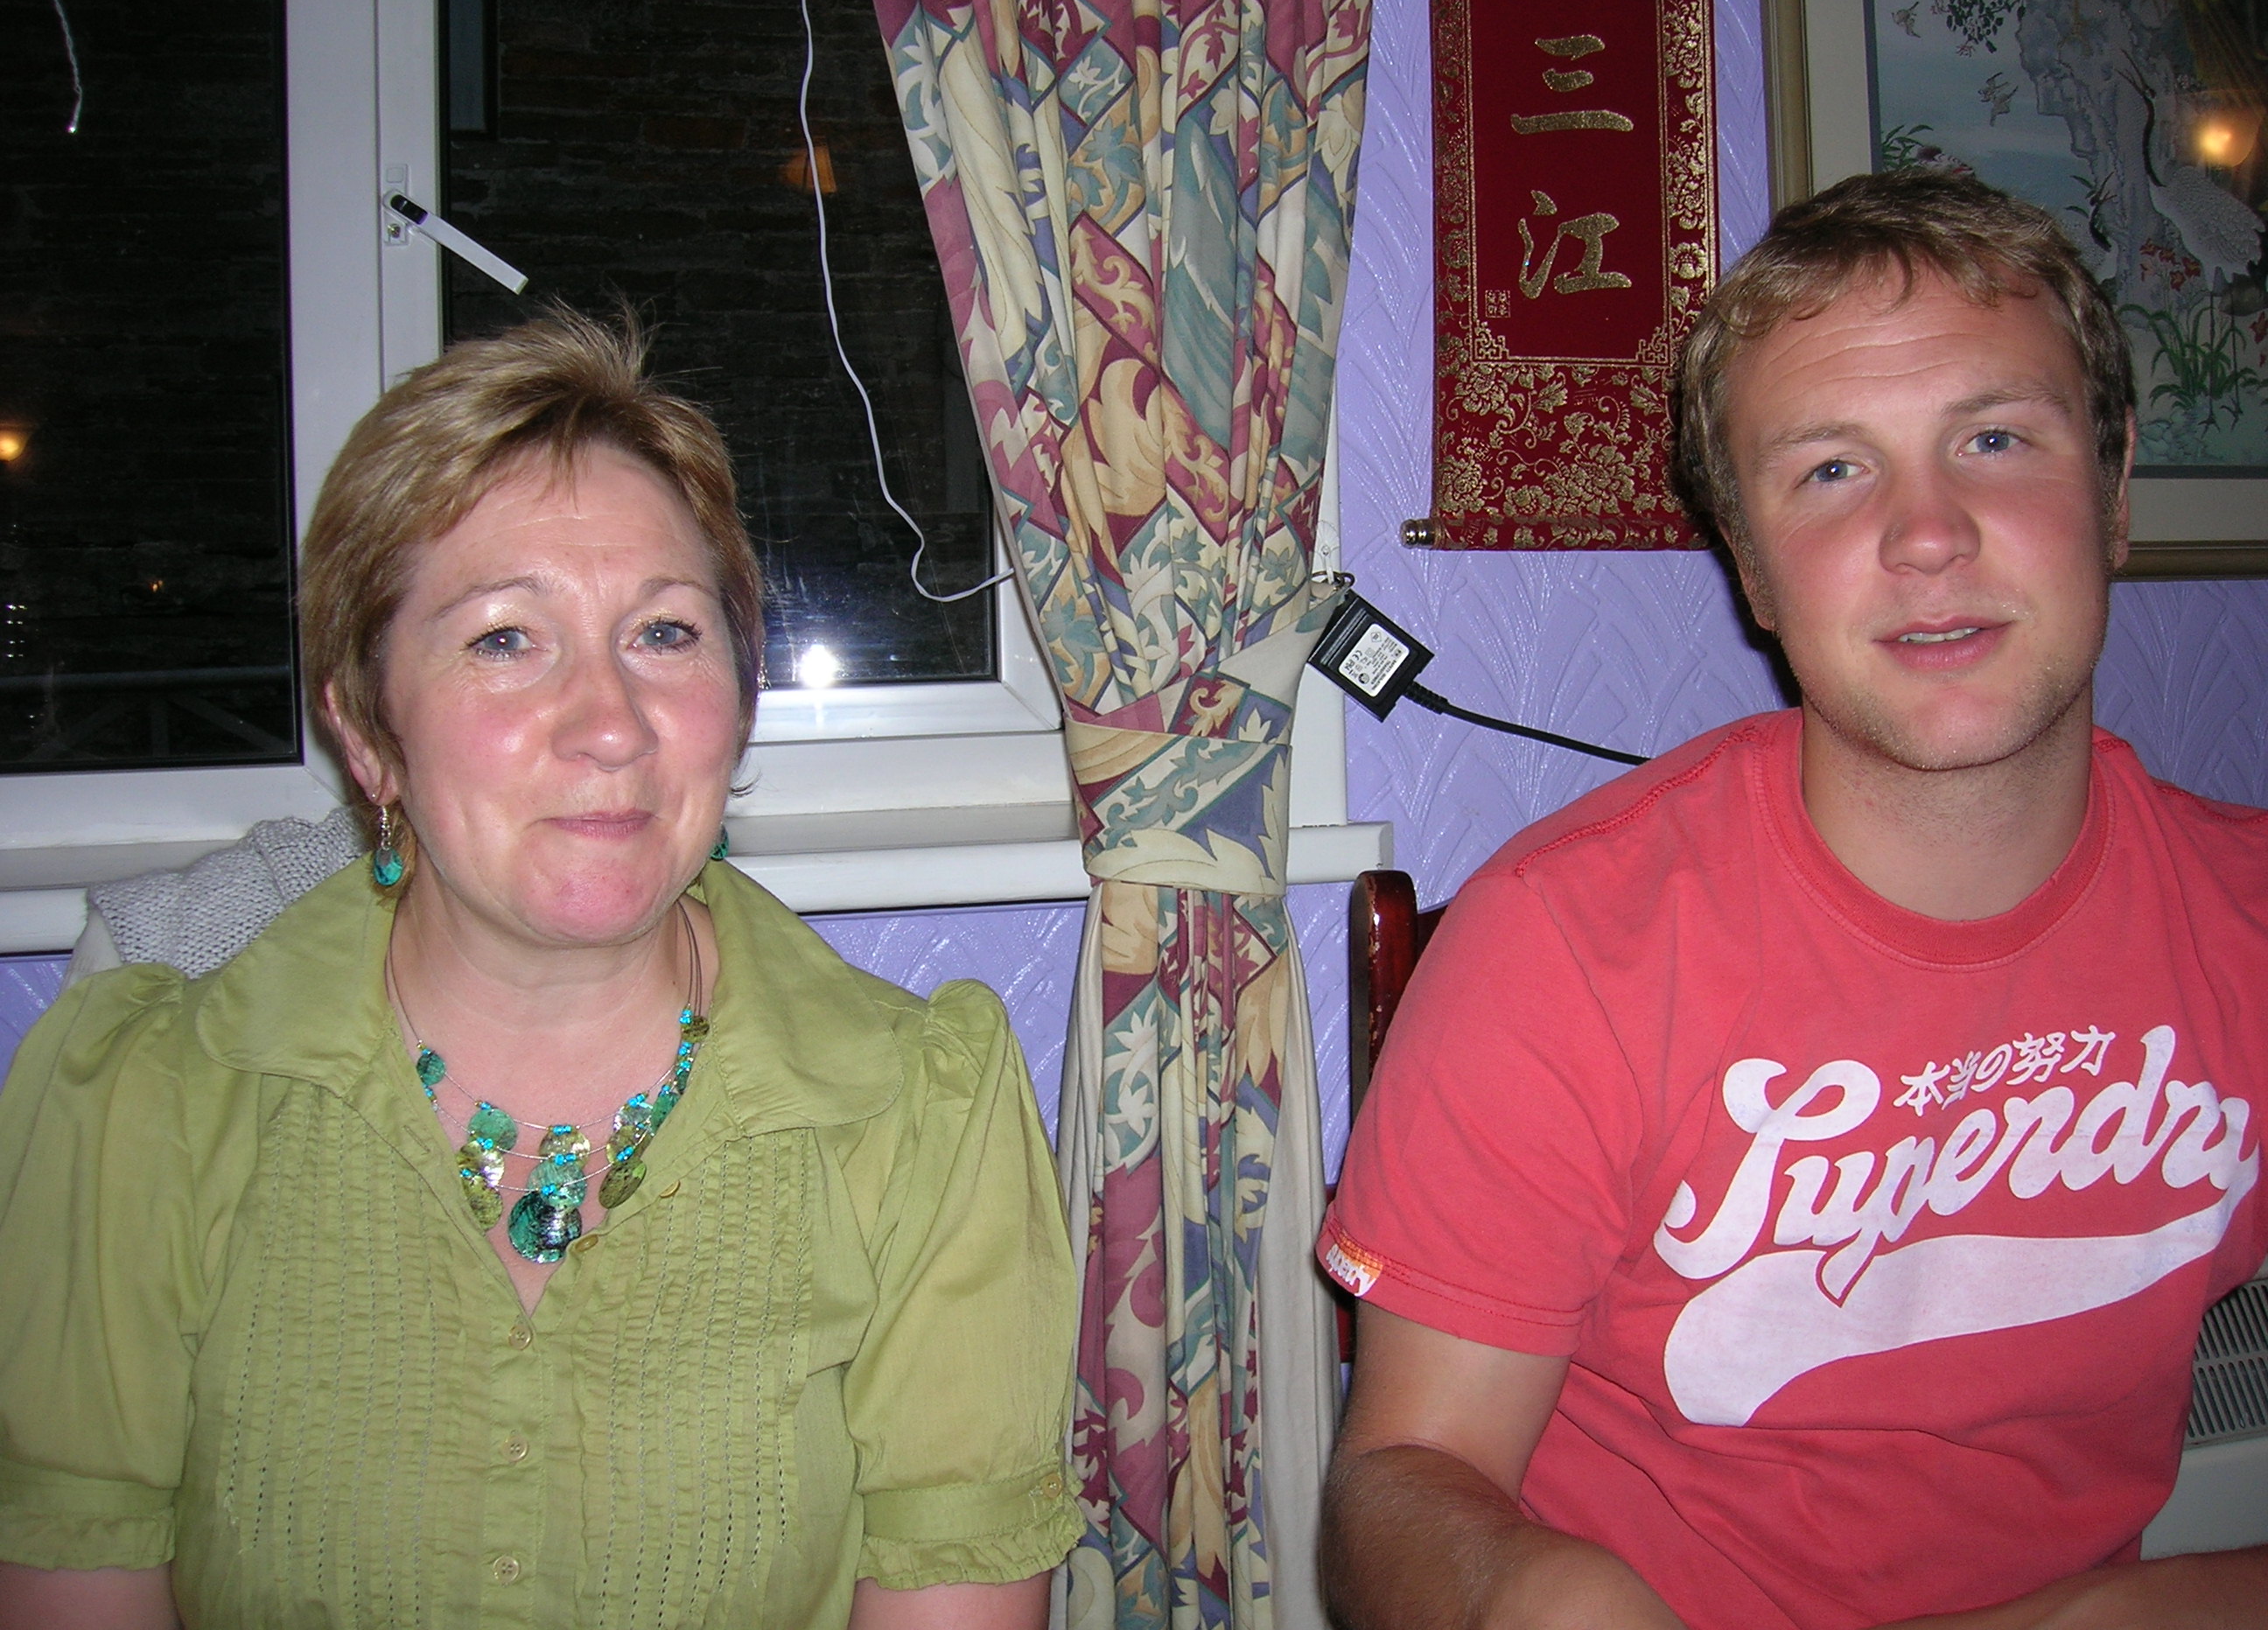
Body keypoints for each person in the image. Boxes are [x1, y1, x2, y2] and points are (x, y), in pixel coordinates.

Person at [0, 311, 1082, 1628]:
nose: (610, 725)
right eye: (505, 638)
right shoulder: (142, 1099)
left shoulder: (923, 1113)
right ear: (367, 732)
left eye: (665, 633)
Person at [1317, 170, 2268, 1628]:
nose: (1928, 534)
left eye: (1995, 438)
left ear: (2115, 488)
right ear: (1753, 570)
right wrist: (1531, 1598)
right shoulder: (1563, 945)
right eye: (1831, 470)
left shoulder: (2244, 924)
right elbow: (1403, 1477)